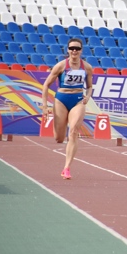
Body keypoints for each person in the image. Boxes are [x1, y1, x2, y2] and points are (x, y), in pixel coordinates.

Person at [41, 37, 94, 179]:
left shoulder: (87, 67)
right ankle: (59, 129)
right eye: (72, 48)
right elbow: (46, 85)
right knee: (59, 137)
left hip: (77, 100)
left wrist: (87, 96)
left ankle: (67, 168)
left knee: (74, 132)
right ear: (68, 50)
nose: (74, 51)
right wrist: (45, 106)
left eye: (77, 48)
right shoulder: (61, 66)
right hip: (61, 100)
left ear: (81, 50)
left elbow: (89, 86)